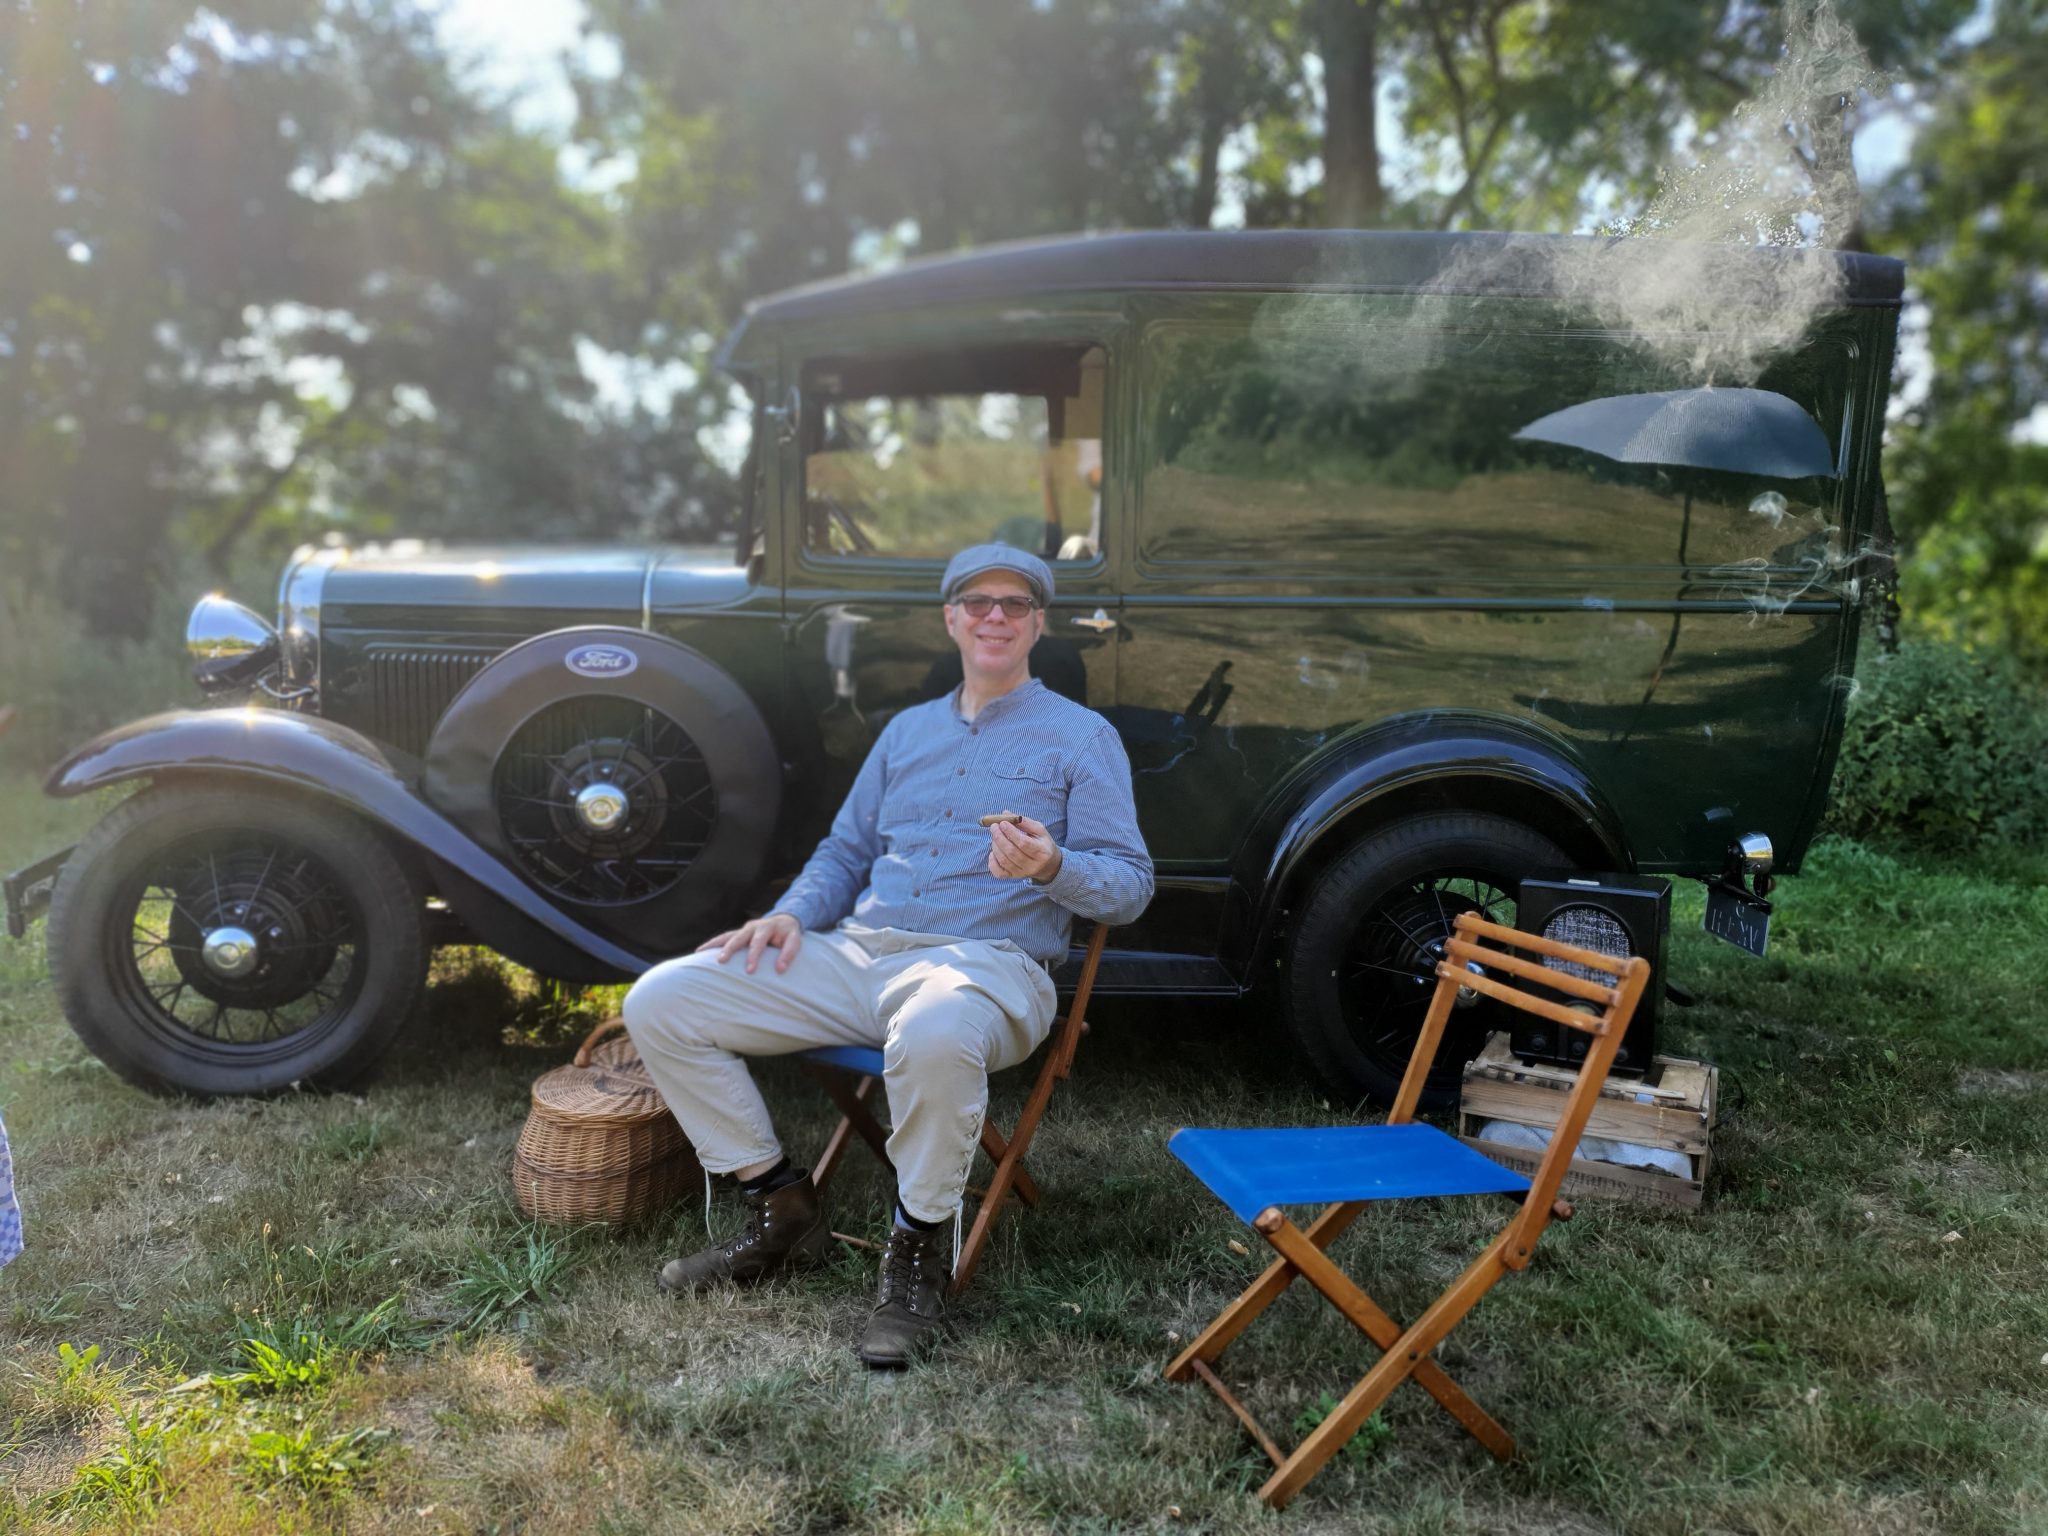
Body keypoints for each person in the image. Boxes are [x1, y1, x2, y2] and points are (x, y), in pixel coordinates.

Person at [622, 544, 1152, 1368]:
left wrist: (1052, 865)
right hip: (862, 954)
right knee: (663, 999)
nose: (996, 617)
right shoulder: (907, 732)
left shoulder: (1083, 739)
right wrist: (792, 915)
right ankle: (780, 1208)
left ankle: (915, 1255)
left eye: (1015, 604)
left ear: (1039, 624)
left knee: (937, 1030)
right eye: (978, 602)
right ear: (951, 620)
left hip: (988, 968)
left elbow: (1130, 888)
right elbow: (843, 850)